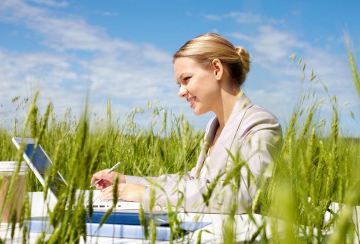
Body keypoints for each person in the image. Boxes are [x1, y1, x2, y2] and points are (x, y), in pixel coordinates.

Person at [91, 33, 282, 214]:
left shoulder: (260, 124)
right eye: (179, 84)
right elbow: (192, 182)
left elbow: (241, 195)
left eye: (187, 79)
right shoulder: (213, 126)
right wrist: (126, 181)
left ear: (217, 69)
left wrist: (146, 194)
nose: (181, 92)